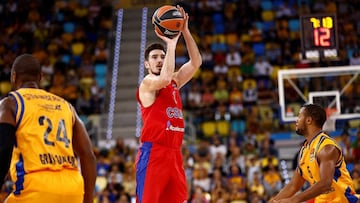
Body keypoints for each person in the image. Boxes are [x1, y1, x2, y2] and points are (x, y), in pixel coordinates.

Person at [0, 54, 97, 203]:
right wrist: (88, 200)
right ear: (40, 77)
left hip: (35, 190)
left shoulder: (10, 103)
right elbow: (88, 155)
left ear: (13, 77)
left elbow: (4, 149)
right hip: (73, 190)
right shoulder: (66, 106)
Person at [135, 5, 202, 203]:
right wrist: (171, 44)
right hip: (154, 152)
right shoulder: (148, 83)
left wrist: (185, 32)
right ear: (147, 64)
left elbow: (196, 62)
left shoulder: (174, 82)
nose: (159, 60)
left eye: (162, 57)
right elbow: (163, 79)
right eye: (154, 57)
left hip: (174, 154)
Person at [270, 104, 359, 203]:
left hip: (342, 200)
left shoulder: (326, 147)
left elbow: (325, 183)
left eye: (299, 116)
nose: (296, 120)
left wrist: (293, 200)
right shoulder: (304, 150)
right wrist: (273, 201)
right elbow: (293, 186)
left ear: (308, 120)